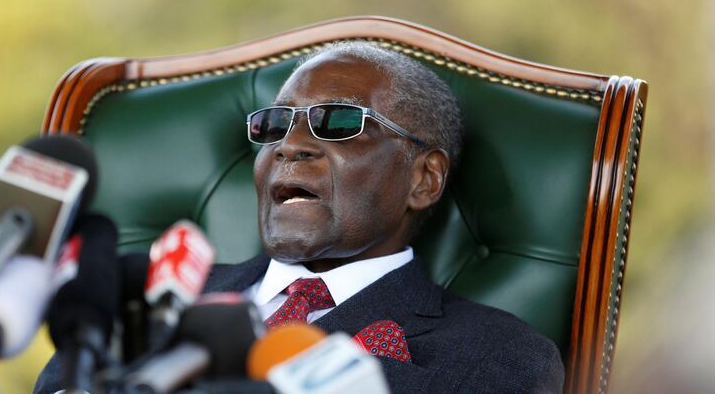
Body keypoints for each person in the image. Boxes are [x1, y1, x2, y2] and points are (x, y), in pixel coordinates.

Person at [35, 42, 564, 393]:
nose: (291, 146)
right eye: (274, 125)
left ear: (423, 180)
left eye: (337, 122)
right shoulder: (141, 300)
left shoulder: (498, 356)